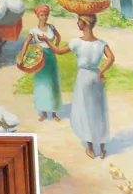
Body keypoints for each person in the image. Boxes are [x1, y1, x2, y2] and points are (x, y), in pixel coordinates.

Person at [38, 14, 115, 159]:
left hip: (83, 78)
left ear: (85, 23)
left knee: (86, 112)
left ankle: (91, 149)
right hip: (96, 77)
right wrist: (102, 72)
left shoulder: (77, 42)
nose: (77, 23)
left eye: (79, 20)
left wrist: (47, 40)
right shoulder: (101, 43)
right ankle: (103, 149)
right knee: (99, 113)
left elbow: (58, 51)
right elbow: (111, 58)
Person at [17, 4, 63, 121]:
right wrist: (21, 58)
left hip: (51, 57)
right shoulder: (33, 30)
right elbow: (26, 44)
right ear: (38, 16)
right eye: (42, 15)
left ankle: (54, 113)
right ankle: (43, 113)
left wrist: (55, 47)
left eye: (46, 15)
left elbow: (58, 36)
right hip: (39, 58)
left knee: (53, 83)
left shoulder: (51, 27)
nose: (44, 17)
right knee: (42, 84)